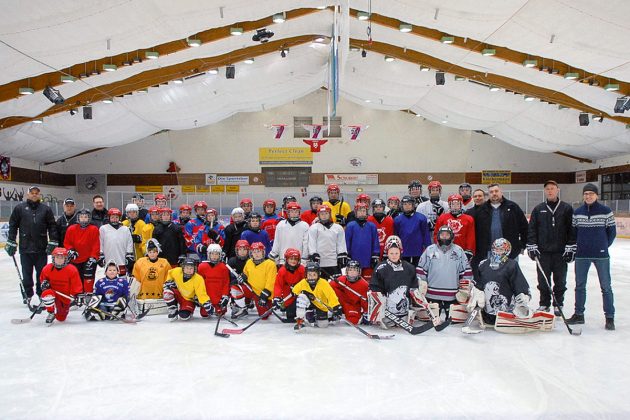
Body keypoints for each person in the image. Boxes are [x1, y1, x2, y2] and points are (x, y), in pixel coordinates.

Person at [466, 238, 554, 333]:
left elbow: (519, 282)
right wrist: (476, 292)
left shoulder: (512, 265)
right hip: (487, 312)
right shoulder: (483, 264)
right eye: (496, 249)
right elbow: (478, 282)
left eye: (501, 250)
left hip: (505, 311)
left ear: (507, 251)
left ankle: (523, 314)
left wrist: (523, 294)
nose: (498, 252)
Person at [567, 183, 616, 330]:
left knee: (606, 287)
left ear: (597, 195)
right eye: (586, 194)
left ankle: (609, 317)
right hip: (582, 254)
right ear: (583, 195)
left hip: (601, 255)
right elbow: (573, 233)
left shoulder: (606, 211)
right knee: (580, 286)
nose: (588, 196)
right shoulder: (578, 212)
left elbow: (612, 233)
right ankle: (579, 314)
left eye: (591, 194)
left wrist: (602, 246)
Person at [526, 180, 576, 314]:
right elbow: (532, 229)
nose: (550, 191)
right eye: (547, 189)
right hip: (543, 252)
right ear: (544, 191)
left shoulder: (566, 208)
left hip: (560, 252)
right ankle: (544, 303)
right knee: (543, 280)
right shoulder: (538, 209)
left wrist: (570, 247)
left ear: (557, 190)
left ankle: (558, 304)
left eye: (552, 188)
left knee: (560, 280)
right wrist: (532, 245)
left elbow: (572, 229)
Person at [6, 185, 58, 302]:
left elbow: (52, 226)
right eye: (32, 192)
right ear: (28, 194)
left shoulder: (46, 209)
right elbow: (13, 225)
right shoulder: (19, 208)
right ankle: (27, 294)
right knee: (27, 274)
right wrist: (11, 241)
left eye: (36, 193)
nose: (34, 194)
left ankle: (41, 294)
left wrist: (53, 241)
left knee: (42, 274)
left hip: (41, 248)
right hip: (25, 248)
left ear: (39, 195)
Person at [469, 184, 528, 274]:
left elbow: (524, 227)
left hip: (509, 253)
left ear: (501, 192)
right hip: (489, 253)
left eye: (496, 191)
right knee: (490, 279)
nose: (494, 193)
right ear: (488, 194)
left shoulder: (512, 207)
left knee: (510, 279)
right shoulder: (481, 210)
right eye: (491, 192)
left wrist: (522, 245)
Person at [416, 226, 473, 319]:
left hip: (452, 295)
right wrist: (421, 287)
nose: (445, 237)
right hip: (432, 294)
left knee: (453, 322)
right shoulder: (430, 250)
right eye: (442, 235)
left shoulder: (458, 250)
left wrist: (465, 289)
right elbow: (421, 270)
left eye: (447, 235)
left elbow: (466, 271)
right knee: (431, 321)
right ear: (438, 236)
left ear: (452, 237)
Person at [368, 236, 422, 327]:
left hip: (404, 312)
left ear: (400, 252)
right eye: (391, 253)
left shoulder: (409, 268)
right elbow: (374, 288)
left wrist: (418, 300)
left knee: (422, 285)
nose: (394, 255)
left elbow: (414, 287)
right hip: (387, 312)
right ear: (387, 253)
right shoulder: (380, 268)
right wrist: (377, 309)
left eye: (396, 253)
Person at [230, 242, 277, 318]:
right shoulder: (249, 262)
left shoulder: (270, 264)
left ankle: (266, 305)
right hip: (251, 289)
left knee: (264, 316)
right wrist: (242, 277)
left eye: (258, 251)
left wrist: (265, 295)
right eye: (254, 252)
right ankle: (243, 308)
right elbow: (245, 274)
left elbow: (271, 281)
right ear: (251, 253)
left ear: (263, 252)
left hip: (263, 293)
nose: (256, 254)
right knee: (235, 288)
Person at [291, 262, 342, 330]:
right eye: (309, 274)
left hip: (322, 307)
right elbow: (294, 291)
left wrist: (336, 306)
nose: (311, 277)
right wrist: (303, 292)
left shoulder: (323, 283)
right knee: (301, 297)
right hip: (310, 304)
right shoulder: (303, 282)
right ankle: (300, 320)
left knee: (322, 325)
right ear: (306, 274)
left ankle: (320, 316)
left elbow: (331, 295)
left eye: (314, 274)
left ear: (318, 274)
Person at [39, 247, 83, 324]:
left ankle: (60, 311)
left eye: (61, 257)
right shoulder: (47, 269)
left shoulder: (72, 270)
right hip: (53, 294)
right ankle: (51, 312)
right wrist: (45, 284)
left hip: (65, 297)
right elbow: (43, 281)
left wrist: (77, 295)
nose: (59, 259)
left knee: (61, 318)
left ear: (65, 258)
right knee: (46, 293)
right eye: (57, 257)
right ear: (53, 258)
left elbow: (76, 285)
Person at [307, 204, 348, 279]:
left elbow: (341, 243)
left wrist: (342, 254)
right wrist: (313, 254)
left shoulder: (338, 228)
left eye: (326, 213)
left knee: (334, 285)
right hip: (319, 263)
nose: (324, 216)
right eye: (322, 214)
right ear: (318, 215)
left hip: (334, 262)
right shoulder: (314, 228)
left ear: (330, 214)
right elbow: (311, 243)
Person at [64, 209, 100, 292]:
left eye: (85, 217)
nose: (83, 219)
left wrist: (93, 257)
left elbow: (96, 244)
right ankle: (77, 293)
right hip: (75, 259)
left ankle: (88, 294)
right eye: (81, 217)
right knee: (76, 278)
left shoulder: (93, 229)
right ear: (78, 218)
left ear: (89, 218)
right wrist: (70, 250)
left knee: (88, 278)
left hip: (88, 259)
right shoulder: (71, 229)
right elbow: (67, 242)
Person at [130, 239, 171, 313]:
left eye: (154, 252)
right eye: (150, 252)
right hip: (143, 296)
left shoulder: (165, 263)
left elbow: (168, 279)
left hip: (159, 296)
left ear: (158, 252)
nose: (152, 254)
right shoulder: (140, 262)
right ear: (147, 252)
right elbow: (136, 280)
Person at [434, 194, 476, 262]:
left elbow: (470, 237)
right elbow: (436, 234)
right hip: (445, 251)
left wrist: (469, 250)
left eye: (457, 204)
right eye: (453, 204)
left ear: (461, 205)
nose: (455, 207)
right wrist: (440, 247)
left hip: (462, 251)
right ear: (449, 205)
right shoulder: (442, 218)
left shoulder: (469, 219)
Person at [345, 202, 380, 280]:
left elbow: (375, 242)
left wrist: (375, 255)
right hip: (354, 259)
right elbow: (347, 242)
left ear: (367, 212)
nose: (362, 213)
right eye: (360, 211)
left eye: (364, 211)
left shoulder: (372, 226)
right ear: (356, 212)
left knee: (367, 281)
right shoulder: (350, 225)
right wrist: (348, 255)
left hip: (368, 259)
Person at [394, 195, 431, 266]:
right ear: (402, 205)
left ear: (413, 205)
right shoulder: (397, 219)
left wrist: (428, 249)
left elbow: (426, 235)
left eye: (409, 204)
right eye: (405, 204)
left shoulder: (421, 218)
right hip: (403, 252)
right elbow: (396, 236)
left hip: (418, 251)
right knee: (404, 273)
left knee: (418, 272)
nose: (407, 206)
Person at [330, 260, 369, 324]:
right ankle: (334, 311)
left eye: (355, 270)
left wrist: (366, 311)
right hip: (341, 302)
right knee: (333, 289)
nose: (352, 272)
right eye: (350, 270)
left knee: (352, 321)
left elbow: (365, 300)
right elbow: (328, 288)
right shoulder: (341, 279)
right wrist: (334, 305)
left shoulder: (364, 285)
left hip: (353, 305)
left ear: (359, 272)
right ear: (347, 271)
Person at [272, 248, 305, 322]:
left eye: (295, 259)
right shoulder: (282, 271)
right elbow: (278, 285)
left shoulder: (301, 269)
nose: (293, 261)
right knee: (290, 315)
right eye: (291, 259)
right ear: (286, 259)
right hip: (288, 295)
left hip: (299, 294)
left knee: (302, 305)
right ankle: (285, 307)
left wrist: (298, 288)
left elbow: (305, 283)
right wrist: (277, 297)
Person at [197, 244, 230, 316]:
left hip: (219, 299)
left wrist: (225, 296)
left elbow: (226, 283)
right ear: (208, 254)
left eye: (217, 254)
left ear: (220, 255)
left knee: (221, 312)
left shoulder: (224, 267)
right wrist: (200, 298)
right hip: (207, 299)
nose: (214, 256)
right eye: (212, 254)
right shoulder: (202, 267)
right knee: (204, 314)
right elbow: (198, 284)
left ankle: (218, 305)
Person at [99, 208, 134, 275]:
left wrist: (129, 255)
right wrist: (101, 254)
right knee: (109, 280)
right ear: (109, 218)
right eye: (112, 217)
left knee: (121, 280)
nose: (114, 219)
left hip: (121, 259)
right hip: (108, 258)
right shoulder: (103, 228)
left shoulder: (125, 229)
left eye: (116, 217)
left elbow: (129, 243)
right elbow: (100, 242)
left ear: (119, 218)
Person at [122, 203, 146, 272]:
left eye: (134, 212)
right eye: (130, 212)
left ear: (137, 213)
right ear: (127, 213)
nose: (132, 214)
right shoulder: (123, 224)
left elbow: (145, 238)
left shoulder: (142, 223)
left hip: (138, 254)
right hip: (126, 254)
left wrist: (139, 238)